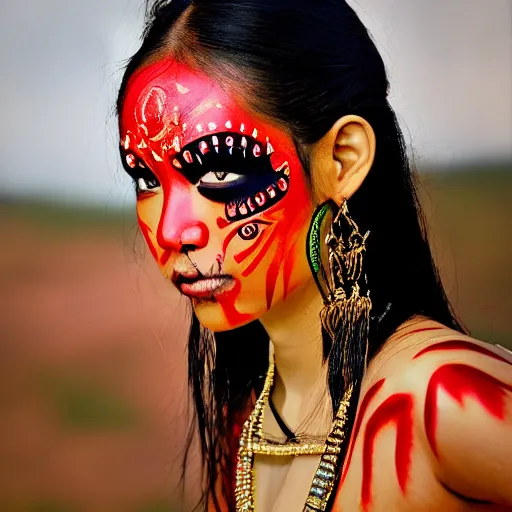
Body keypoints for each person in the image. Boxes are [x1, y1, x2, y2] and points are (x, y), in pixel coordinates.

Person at [116, 1, 512, 510]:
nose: (172, 230)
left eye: (218, 173)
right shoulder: (246, 422)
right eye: (147, 179)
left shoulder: (442, 402)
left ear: (342, 161)